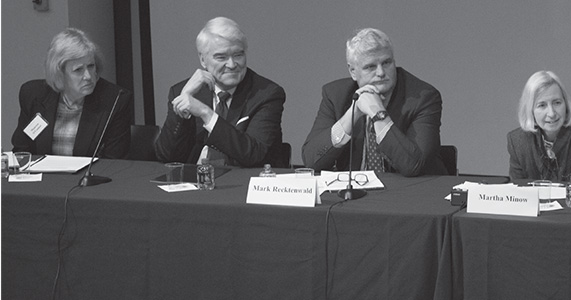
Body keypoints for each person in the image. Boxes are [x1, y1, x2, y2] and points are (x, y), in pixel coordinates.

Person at [302, 28, 446, 176]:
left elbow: (413, 166)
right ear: (352, 71)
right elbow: (312, 161)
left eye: (386, 63)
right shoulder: (335, 95)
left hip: (410, 192)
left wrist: (378, 114)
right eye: (371, 66)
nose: (381, 73)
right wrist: (352, 114)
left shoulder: (422, 98)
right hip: (355, 193)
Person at [155, 17, 285, 167]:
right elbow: (166, 156)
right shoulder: (183, 91)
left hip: (244, 183)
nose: (231, 64)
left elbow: (253, 154)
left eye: (238, 55)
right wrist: (182, 110)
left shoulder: (266, 94)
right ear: (203, 60)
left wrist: (206, 113)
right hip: (194, 183)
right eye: (221, 57)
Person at [12, 28, 132, 159]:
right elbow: (21, 150)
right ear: (60, 73)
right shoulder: (34, 94)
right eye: (78, 70)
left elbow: (113, 161)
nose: (88, 76)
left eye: (91, 66)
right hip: (44, 177)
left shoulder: (114, 99)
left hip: (88, 178)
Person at [507, 71, 571, 183]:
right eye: (542, 105)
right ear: (530, 110)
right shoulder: (518, 143)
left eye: (557, 103)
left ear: (566, 105)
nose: (551, 113)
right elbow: (518, 194)